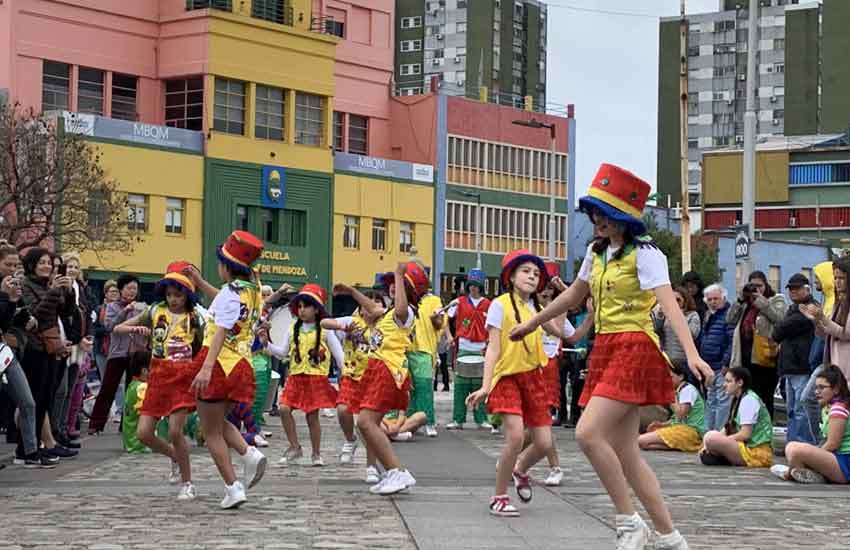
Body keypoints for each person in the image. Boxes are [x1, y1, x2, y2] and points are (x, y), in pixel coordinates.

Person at [507, 165, 712, 549]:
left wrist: (692, 354)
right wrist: (533, 322)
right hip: (606, 348)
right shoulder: (596, 253)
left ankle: (628, 521)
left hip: (634, 346)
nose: (596, 219)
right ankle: (670, 538)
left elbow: (670, 307)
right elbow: (573, 297)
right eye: (593, 211)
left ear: (622, 217)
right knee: (626, 452)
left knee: (587, 434)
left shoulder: (647, 254)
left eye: (603, 212)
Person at [465, 249, 554, 517]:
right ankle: (499, 496)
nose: (532, 276)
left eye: (537, 273)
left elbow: (563, 334)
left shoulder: (536, 309)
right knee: (515, 436)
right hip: (507, 378)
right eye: (526, 271)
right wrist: (485, 386)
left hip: (534, 379)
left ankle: (519, 469)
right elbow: (492, 349)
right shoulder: (499, 304)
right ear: (511, 276)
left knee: (544, 443)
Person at [185, 230, 268, 509]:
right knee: (219, 423)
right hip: (241, 364)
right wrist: (198, 282)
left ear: (226, 267)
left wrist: (206, 368)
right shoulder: (251, 289)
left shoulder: (232, 293)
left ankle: (233, 487)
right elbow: (221, 299)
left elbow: (220, 331)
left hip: (218, 362)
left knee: (210, 432)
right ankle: (248, 454)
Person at [114, 261, 204, 501]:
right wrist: (136, 330)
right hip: (158, 377)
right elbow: (118, 328)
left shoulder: (195, 317)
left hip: (183, 377)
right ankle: (174, 456)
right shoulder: (154, 311)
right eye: (169, 294)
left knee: (176, 430)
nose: (173, 299)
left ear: (187, 294)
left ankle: (188, 483)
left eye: (178, 294)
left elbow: (205, 346)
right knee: (143, 433)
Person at [353, 261, 427, 495]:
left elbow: (402, 309)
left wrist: (398, 274)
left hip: (388, 370)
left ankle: (397, 471)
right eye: (394, 285)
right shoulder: (386, 315)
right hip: (379, 369)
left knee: (365, 422)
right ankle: (390, 471)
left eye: (402, 285)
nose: (394, 287)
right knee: (367, 424)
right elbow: (372, 311)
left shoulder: (405, 313)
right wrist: (351, 291)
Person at [265, 284, 344, 467]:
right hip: (295, 377)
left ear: (316, 309)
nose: (301, 310)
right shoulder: (292, 328)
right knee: (284, 409)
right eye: (299, 307)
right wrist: (266, 344)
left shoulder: (325, 330)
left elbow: (339, 356)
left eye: (306, 306)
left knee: (311, 417)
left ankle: (316, 454)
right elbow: (282, 352)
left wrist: (347, 372)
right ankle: (295, 447)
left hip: (315, 379)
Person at [17, 247, 78, 464]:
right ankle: (26, 448)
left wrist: (68, 292)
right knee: (32, 400)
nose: (47, 266)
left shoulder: (47, 285)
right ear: (32, 264)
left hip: (50, 347)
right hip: (32, 347)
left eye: (49, 263)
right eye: (42, 262)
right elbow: (36, 314)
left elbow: (65, 312)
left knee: (45, 399)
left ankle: (35, 445)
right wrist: (53, 291)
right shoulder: (26, 285)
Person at [533, 271, 594, 486]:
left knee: (541, 422)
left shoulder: (557, 312)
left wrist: (590, 317)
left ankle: (554, 466)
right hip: (525, 368)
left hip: (547, 370)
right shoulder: (525, 308)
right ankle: (514, 460)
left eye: (549, 288)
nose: (545, 291)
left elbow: (573, 336)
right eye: (543, 287)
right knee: (525, 426)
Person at [321, 287, 383, 471]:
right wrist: (341, 327)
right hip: (351, 376)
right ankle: (350, 439)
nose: (371, 306)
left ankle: (371, 466)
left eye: (376, 302)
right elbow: (324, 323)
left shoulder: (386, 325)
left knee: (371, 425)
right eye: (366, 302)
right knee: (342, 410)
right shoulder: (352, 321)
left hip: (374, 378)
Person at [0, 243, 46, 467]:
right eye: (7, 264)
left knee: (27, 401)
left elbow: (13, 317)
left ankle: (29, 450)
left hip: (7, 350)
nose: (11, 269)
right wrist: (6, 299)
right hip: (6, 344)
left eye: (15, 264)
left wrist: (24, 315)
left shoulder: (14, 286)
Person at [88, 273, 149, 434]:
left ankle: (127, 425)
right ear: (121, 289)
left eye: (134, 288)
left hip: (136, 353)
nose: (131, 292)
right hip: (117, 353)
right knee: (108, 388)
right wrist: (125, 311)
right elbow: (110, 327)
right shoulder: (112, 306)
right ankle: (96, 424)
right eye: (128, 288)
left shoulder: (142, 307)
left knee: (133, 390)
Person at [771, 366, 850, 484]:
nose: (817, 392)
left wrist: (814, 454)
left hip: (844, 464)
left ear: (836, 389)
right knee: (794, 449)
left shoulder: (838, 409)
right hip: (837, 460)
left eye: (822, 388)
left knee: (794, 449)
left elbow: (833, 444)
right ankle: (806, 473)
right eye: (816, 388)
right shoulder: (828, 408)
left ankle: (798, 474)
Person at [727, 271, 786, 418]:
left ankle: (765, 431)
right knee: (744, 398)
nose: (756, 289)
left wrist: (760, 301)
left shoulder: (775, 299)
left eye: (759, 286)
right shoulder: (745, 304)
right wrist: (740, 299)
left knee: (764, 398)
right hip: (745, 359)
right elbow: (729, 319)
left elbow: (780, 319)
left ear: (766, 285)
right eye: (752, 286)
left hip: (764, 360)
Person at [772, 273, 817, 445]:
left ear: (807, 289)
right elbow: (779, 331)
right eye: (791, 288)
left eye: (797, 288)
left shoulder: (809, 309)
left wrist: (781, 326)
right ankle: (793, 445)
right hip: (790, 366)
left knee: (800, 409)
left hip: (802, 366)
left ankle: (802, 445)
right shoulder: (793, 309)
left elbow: (778, 332)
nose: (793, 291)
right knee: (791, 410)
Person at [700, 367, 773, 468]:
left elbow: (745, 434)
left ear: (740, 383)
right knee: (710, 438)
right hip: (744, 446)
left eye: (728, 381)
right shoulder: (738, 399)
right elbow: (727, 427)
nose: (724, 385)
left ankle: (724, 456)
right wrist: (707, 445)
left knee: (711, 439)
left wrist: (723, 441)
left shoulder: (749, 400)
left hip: (756, 452)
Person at [446, 268, 491, 430]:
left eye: (476, 285)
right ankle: (458, 419)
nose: (473, 288)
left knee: (480, 385)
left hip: (481, 349)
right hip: (463, 347)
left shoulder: (489, 304)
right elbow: (445, 318)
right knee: (460, 385)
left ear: (481, 287)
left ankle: (482, 419)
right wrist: (449, 336)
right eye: (471, 285)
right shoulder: (459, 302)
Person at [800, 261, 837, 438]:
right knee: (810, 400)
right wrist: (814, 319)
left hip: (831, 361)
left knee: (808, 398)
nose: (815, 282)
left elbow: (838, 332)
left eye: (818, 278)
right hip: (822, 360)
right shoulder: (827, 301)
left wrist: (819, 318)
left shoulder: (838, 302)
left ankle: (822, 441)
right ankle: (823, 440)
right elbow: (823, 333)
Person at [801, 256, 850, 386]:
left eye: (842, 278)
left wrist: (822, 317)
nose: (837, 282)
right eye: (835, 278)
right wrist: (816, 320)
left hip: (845, 370)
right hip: (834, 365)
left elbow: (845, 333)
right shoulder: (839, 302)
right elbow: (828, 334)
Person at [406, 271, 444, 438]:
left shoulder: (434, 300)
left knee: (424, 388)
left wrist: (436, 318)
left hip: (424, 350)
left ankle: (428, 422)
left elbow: (439, 325)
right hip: (405, 349)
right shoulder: (406, 300)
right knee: (408, 388)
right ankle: (409, 422)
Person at [639, 364, 705, 452]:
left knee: (641, 441)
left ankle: (690, 445)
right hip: (681, 428)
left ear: (681, 376)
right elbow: (677, 419)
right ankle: (682, 447)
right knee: (645, 442)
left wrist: (671, 397)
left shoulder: (687, 389)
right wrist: (662, 424)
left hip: (691, 432)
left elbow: (681, 414)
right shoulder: (678, 390)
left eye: (670, 377)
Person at [699, 284, 735, 432]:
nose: (713, 302)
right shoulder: (708, 315)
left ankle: (719, 433)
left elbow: (731, 340)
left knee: (722, 401)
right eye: (710, 299)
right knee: (711, 400)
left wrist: (726, 362)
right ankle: (709, 433)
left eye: (716, 298)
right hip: (709, 365)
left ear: (723, 298)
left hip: (721, 365)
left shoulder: (728, 315)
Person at [655, 286, 701, 378]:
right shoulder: (666, 314)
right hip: (667, 359)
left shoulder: (692, 315)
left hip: (684, 360)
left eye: (678, 300)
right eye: (672, 299)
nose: (675, 302)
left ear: (685, 301)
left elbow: (693, 334)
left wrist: (678, 316)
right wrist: (660, 316)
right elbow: (657, 330)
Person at [122, 359, 150, 454]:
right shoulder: (142, 387)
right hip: (140, 444)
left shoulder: (132, 385)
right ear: (144, 371)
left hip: (130, 441)